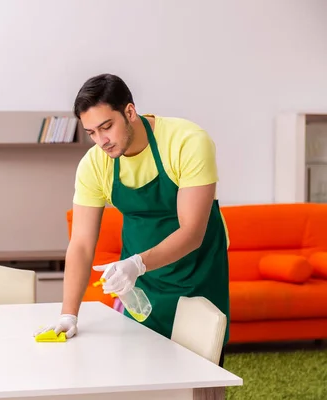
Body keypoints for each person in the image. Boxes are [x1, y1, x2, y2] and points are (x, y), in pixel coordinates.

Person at [34, 73, 230, 367]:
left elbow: (192, 232)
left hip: (196, 276)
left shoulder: (186, 142)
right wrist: (68, 314)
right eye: (91, 132)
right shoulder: (94, 165)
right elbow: (82, 243)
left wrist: (136, 263)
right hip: (139, 287)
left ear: (129, 111)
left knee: (197, 381)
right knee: (138, 373)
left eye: (106, 127)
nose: (101, 141)